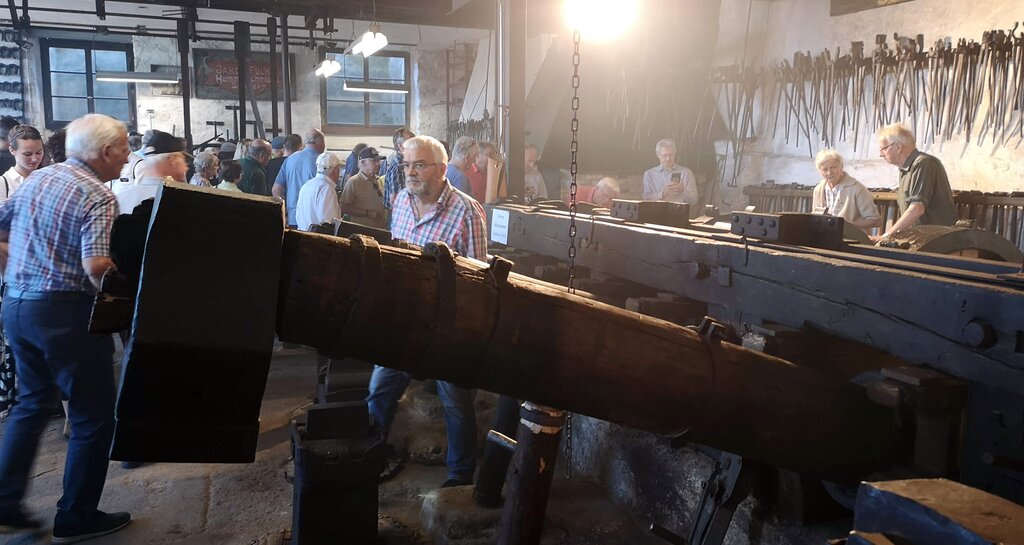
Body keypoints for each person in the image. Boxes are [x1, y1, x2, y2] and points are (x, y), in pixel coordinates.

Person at [0, 113, 132, 542]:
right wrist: (127, 279)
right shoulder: (97, 195)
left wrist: (17, 261)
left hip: (18, 307)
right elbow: (95, 266)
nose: (128, 155)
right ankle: (76, 516)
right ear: (106, 151)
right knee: (94, 416)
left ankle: (5, 506)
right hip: (65, 314)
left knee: (31, 405)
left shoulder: (39, 178)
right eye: (125, 147)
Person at [368, 135, 487, 489]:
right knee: (379, 390)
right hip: (403, 320)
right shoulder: (402, 200)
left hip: (446, 327)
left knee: (456, 402)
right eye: (406, 165)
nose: (410, 172)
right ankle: (370, 456)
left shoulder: (466, 211)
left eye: (418, 165)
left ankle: (460, 476)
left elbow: (479, 278)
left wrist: (466, 333)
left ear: (441, 168)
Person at [875, 123, 957, 240]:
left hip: (937, 240)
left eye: (884, 149)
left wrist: (886, 236)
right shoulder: (905, 170)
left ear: (898, 147)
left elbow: (917, 208)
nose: (880, 154)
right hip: (920, 238)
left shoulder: (923, 164)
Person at [115, 130, 191, 215]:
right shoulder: (178, 199)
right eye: (182, 159)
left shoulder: (123, 196)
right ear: (172, 161)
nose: (186, 167)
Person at [810, 149, 881, 230]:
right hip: (824, 239)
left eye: (833, 167)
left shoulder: (857, 189)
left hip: (851, 239)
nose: (829, 172)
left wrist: (848, 226)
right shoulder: (818, 190)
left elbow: (876, 220)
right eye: (825, 169)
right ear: (820, 171)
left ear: (841, 167)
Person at [273, 129, 325, 227]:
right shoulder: (322, 162)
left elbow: (276, 189)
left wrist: (285, 213)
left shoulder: (290, 159)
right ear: (321, 143)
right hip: (314, 220)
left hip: (293, 217)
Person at [339, 146, 387, 229]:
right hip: (362, 231)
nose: (378, 164)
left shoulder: (378, 179)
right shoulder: (354, 182)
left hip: (379, 230)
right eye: (374, 161)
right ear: (363, 162)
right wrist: (367, 213)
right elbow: (343, 207)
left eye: (379, 161)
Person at [295, 152, 343, 231]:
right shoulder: (327, 189)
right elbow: (329, 222)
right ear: (336, 170)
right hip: (318, 239)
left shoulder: (307, 185)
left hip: (303, 234)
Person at [643, 138, 698, 206]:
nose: (668, 158)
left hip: (679, 214)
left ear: (675, 154)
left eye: (671, 155)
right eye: (665, 155)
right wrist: (663, 193)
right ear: (658, 155)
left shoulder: (686, 173)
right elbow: (645, 199)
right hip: (656, 213)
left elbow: (694, 200)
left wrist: (682, 190)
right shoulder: (649, 174)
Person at [0, 125, 44, 205]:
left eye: (39, 153)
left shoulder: (46, 178)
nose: (34, 159)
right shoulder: (3, 184)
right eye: (27, 154)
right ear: (12, 150)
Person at [383, 127, 415, 213]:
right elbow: (398, 200)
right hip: (400, 215)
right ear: (400, 146)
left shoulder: (407, 164)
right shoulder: (398, 167)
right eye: (411, 141)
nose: (415, 143)